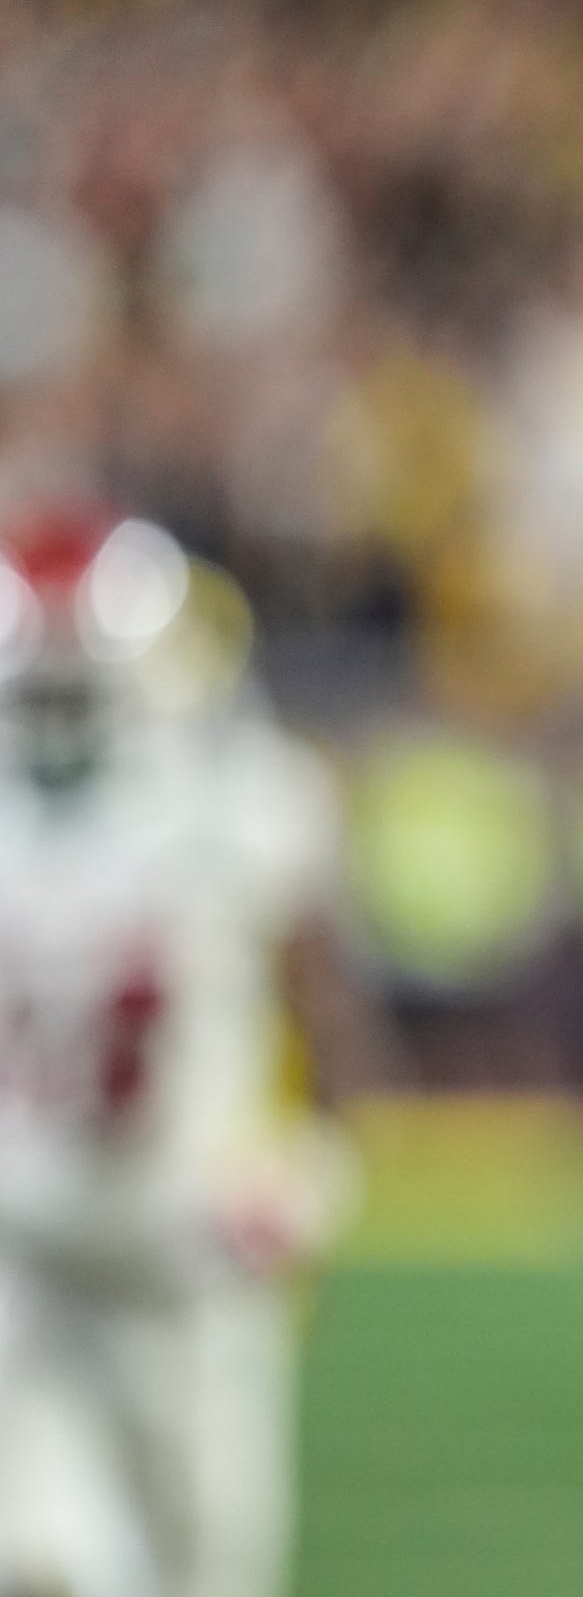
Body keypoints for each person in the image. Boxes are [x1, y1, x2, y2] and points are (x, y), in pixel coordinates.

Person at [0, 505, 384, 1597]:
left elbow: (333, 1012)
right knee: (36, 1563)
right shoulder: (242, 802)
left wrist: (314, 1156)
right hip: (26, 1257)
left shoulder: (239, 810)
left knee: (204, 1572)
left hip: (185, 1259)